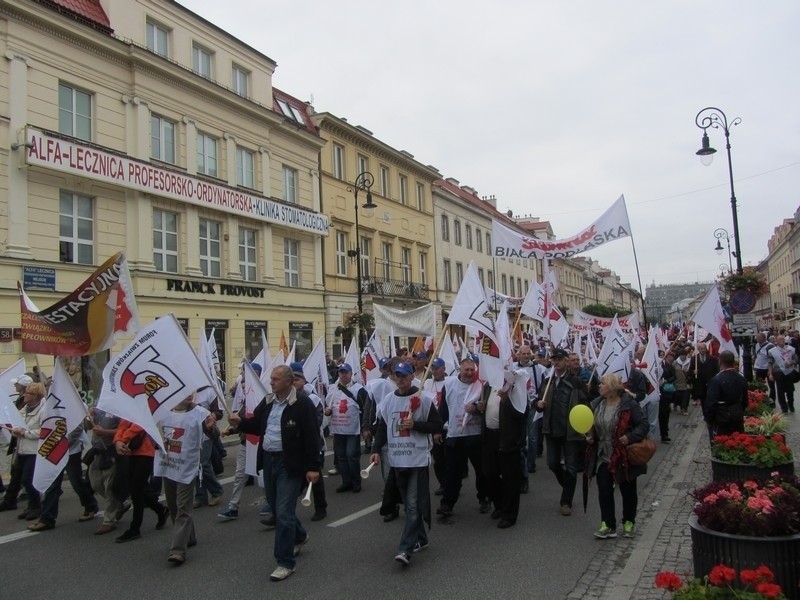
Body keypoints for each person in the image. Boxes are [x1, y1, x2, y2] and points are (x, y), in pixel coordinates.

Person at [228, 365, 321, 582]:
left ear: (289, 382)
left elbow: (311, 437)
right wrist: (240, 422)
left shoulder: (302, 404)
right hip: (269, 461)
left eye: (276, 379)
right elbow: (257, 425)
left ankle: (285, 562)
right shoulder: (268, 401)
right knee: (275, 505)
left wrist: (313, 467)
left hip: (289, 464)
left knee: (283, 511)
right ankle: (299, 535)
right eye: (271, 379)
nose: (271, 382)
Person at [370, 361, 443, 566]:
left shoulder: (424, 399)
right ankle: (422, 538)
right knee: (407, 504)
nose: (400, 378)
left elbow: (437, 425)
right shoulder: (387, 401)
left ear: (413, 377)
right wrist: (376, 450)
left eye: (404, 375)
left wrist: (416, 425)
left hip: (417, 459)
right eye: (397, 375)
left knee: (412, 504)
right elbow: (383, 427)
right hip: (397, 460)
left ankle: (405, 549)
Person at [154, 394, 217, 565]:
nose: (189, 395)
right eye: (185, 392)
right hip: (169, 466)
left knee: (183, 507)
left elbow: (213, 435)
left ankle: (177, 550)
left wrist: (211, 428)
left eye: (192, 391)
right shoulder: (163, 412)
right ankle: (189, 537)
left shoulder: (201, 413)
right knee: (173, 505)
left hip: (187, 468)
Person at [586, 374, 649, 539]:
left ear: (612, 388)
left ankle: (629, 521)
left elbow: (643, 425)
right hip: (603, 454)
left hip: (623, 455)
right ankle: (608, 524)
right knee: (604, 490)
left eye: (603, 383)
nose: (599, 386)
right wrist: (590, 435)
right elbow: (591, 425)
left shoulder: (629, 405)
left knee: (628, 491)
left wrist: (629, 437)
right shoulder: (597, 404)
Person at [536, 348, 588, 516]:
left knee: (571, 467)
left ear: (566, 361)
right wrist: (538, 404)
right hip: (551, 429)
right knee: (552, 463)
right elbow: (537, 400)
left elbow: (585, 403)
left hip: (570, 431)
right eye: (554, 359)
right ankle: (568, 485)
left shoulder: (576, 381)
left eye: (559, 359)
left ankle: (566, 501)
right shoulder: (547, 381)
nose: (556, 362)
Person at [437, 357, 488, 518]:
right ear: (460, 369)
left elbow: (487, 410)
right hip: (455, 435)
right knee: (453, 472)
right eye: (466, 370)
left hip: (475, 435)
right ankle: (447, 504)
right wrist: (437, 430)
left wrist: (477, 409)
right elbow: (443, 409)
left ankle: (484, 498)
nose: (469, 373)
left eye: (472, 370)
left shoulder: (481, 385)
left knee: (481, 471)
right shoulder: (450, 384)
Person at [28, 420, 99, 532]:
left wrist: (62, 444)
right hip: (55, 451)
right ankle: (47, 519)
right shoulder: (50, 406)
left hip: (71, 451)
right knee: (53, 484)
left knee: (76, 482)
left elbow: (77, 428)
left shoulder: (71, 404)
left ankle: (90, 505)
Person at [478, 371, 529, 528]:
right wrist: (480, 408)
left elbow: (522, 414)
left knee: (510, 478)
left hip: (507, 437)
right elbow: (486, 409)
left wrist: (507, 401)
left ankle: (509, 514)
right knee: (489, 473)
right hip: (489, 436)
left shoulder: (514, 387)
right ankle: (500, 505)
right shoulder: (487, 385)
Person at [218, 362, 265, 522]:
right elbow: (245, 421)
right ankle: (233, 507)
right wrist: (231, 429)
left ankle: (271, 502)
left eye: (244, 372)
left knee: (263, 476)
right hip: (247, 442)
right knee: (240, 475)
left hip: (262, 444)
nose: (242, 375)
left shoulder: (265, 396)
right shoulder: (247, 400)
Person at [113, 420, 169, 542]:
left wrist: (122, 440)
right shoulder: (128, 405)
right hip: (131, 451)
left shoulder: (144, 403)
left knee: (136, 489)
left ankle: (135, 528)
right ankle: (160, 510)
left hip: (146, 451)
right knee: (136, 489)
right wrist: (117, 441)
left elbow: (140, 425)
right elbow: (122, 424)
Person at [324, 363, 368, 493]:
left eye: (346, 372)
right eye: (341, 372)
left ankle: (356, 481)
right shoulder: (333, 390)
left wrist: (365, 427)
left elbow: (365, 408)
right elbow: (330, 407)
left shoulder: (359, 389)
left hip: (352, 430)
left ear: (351, 373)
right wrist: (328, 412)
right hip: (338, 430)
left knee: (351, 455)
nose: (343, 374)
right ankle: (346, 481)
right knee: (341, 456)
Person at [291, 364, 327, 522]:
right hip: (294, 447)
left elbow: (318, 420)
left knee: (316, 478)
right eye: (291, 379)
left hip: (312, 444)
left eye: (297, 379)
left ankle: (321, 508)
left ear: (304, 381)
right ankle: (282, 511)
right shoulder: (287, 398)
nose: (294, 382)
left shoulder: (312, 398)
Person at [84, 406, 127, 535]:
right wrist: (89, 417)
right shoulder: (99, 408)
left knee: (109, 488)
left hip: (110, 451)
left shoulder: (120, 410)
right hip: (97, 452)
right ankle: (121, 503)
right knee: (95, 484)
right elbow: (89, 426)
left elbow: (123, 430)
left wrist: (105, 432)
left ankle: (109, 521)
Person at [9, 382, 45, 521]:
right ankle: (31, 506)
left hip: (34, 450)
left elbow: (44, 431)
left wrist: (25, 433)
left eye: (29, 393)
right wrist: (15, 430)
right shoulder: (25, 408)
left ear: (36, 396)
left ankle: (36, 506)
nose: (25, 395)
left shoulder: (43, 410)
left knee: (28, 479)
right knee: (23, 478)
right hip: (22, 448)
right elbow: (16, 422)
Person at [0, 374, 33, 511]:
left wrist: (23, 431)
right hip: (18, 441)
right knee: (17, 471)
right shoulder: (21, 400)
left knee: (25, 475)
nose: (14, 386)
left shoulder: (32, 403)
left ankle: (34, 502)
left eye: (17, 384)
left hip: (29, 443)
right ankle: (10, 499)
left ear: (24, 387)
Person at [703, 350, 748, 439]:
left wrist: (709, 420)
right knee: (737, 441)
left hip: (721, 418)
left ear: (720, 361)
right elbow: (745, 401)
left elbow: (711, 403)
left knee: (721, 444)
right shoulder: (741, 379)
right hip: (737, 416)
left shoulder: (716, 380)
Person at [192, 385, 224, 508]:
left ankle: (217, 491)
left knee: (203, 463)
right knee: (195, 466)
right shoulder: (187, 390)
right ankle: (200, 496)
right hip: (192, 435)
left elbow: (219, 412)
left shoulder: (209, 391)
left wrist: (209, 417)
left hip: (205, 434)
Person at [768, 335, 796, 414]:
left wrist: (792, 362)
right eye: (780, 339)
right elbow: (770, 363)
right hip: (778, 373)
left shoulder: (790, 349)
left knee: (790, 391)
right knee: (780, 392)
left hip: (789, 372)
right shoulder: (772, 351)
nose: (783, 340)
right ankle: (784, 408)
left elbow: (796, 358)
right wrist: (770, 374)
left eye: (783, 339)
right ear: (776, 341)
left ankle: (791, 404)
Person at [691, 342, 719, 407]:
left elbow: (716, 371)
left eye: (704, 348)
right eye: (701, 349)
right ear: (698, 349)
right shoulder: (694, 359)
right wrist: (693, 372)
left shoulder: (712, 359)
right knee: (703, 402)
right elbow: (690, 371)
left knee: (709, 401)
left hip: (709, 383)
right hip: (700, 384)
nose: (703, 350)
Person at [658, 353, 676, 444]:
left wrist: (667, 380)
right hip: (653, 393)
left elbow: (674, 376)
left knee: (664, 414)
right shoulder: (652, 364)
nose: (661, 357)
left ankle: (664, 434)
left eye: (662, 355)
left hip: (665, 393)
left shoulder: (668, 366)